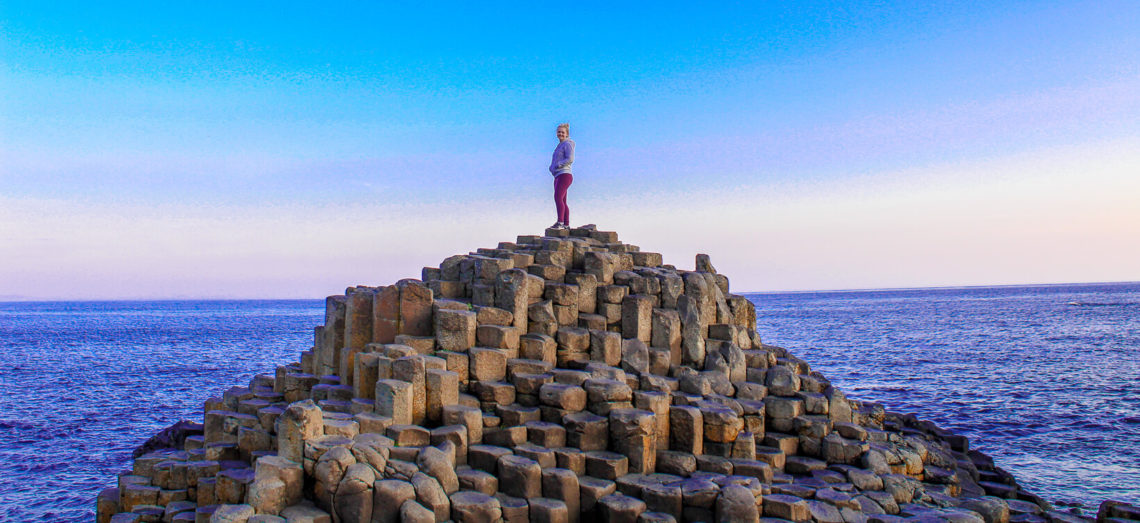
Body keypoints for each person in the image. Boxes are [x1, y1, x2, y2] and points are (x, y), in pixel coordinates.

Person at [549, 123, 574, 229]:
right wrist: (551, 167)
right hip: (558, 175)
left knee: (558, 197)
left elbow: (570, 158)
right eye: (559, 132)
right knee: (562, 200)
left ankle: (560, 222)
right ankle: (566, 224)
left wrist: (559, 165)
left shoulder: (568, 144)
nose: (560, 134)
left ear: (567, 134)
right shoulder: (559, 145)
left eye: (563, 132)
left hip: (565, 174)